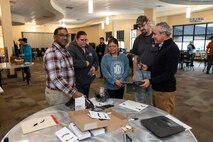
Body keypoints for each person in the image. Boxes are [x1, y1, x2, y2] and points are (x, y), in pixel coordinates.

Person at [141, 22, 180, 114]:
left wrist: (150, 81)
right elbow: (161, 66)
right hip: (158, 89)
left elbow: (169, 73)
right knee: (157, 116)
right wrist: (148, 68)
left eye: (155, 34)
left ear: (163, 34)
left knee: (164, 119)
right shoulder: (163, 46)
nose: (152, 36)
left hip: (165, 92)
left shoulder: (172, 49)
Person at [43, 27, 83, 106]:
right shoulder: (52, 52)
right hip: (57, 94)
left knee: (66, 115)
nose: (65, 38)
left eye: (66, 35)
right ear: (54, 37)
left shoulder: (65, 51)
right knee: (59, 117)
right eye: (61, 35)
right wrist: (73, 93)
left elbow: (69, 72)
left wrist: (73, 89)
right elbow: (56, 78)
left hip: (65, 91)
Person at [132, 15, 158, 105]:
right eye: (139, 27)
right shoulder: (137, 40)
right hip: (140, 73)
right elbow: (135, 58)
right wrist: (135, 74)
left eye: (142, 26)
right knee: (139, 100)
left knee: (152, 100)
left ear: (147, 22)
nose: (141, 28)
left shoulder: (156, 37)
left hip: (153, 74)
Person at [68, 31, 99, 98]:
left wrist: (94, 66)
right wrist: (84, 63)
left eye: (85, 40)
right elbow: (71, 62)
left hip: (88, 79)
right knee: (79, 101)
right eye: (82, 40)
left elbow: (96, 59)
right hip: (77, 81)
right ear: (76, 39)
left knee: (86, 98)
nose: (84, 42)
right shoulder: (71, 48)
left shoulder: (89, 48)